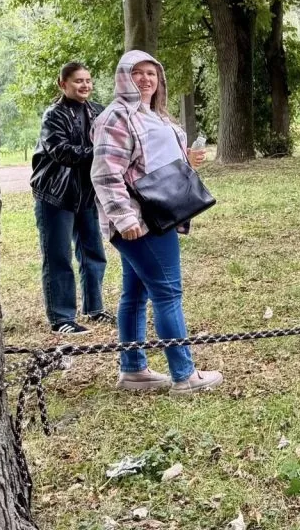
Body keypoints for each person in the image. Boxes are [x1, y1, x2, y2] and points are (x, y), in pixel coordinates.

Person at [91, 50, 223, 395]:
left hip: (161, 213)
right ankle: (185, 375)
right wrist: (123, 216)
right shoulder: (115, 117)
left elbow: (153, 161)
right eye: (138, 72)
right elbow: (106, 171)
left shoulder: (154, 115)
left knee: (135, 294)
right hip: (140, 220)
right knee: (168, 293)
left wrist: (187, 159)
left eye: (152, 73)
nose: (146, 79)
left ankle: (133, 370)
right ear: (123, 78)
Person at [29, 61, 112, 335]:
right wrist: (100, 152)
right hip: (54, 194)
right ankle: (61, 318)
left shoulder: (99, 111)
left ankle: (94, 308)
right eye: (78, 81)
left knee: (93, 253)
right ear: (63, 84)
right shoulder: (53, 115)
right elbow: (62, 151)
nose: (85, 85)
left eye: (88, 80)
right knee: (58, 256)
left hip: (86, 193)